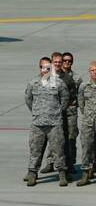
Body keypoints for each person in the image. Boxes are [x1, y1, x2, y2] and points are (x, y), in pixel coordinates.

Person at [25, 57, 69, 186]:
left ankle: (61, 173)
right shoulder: (33, 83)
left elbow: (65, 98)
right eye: (43, 67)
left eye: (48, 68)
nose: (45, 70)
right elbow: (28, 99)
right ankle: (32, 173)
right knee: (35, 149)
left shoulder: (59, 83)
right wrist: (37, 112)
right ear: (39, 68)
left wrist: (57, 111)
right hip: (38, 123)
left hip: (54, 123)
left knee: (58, 150)